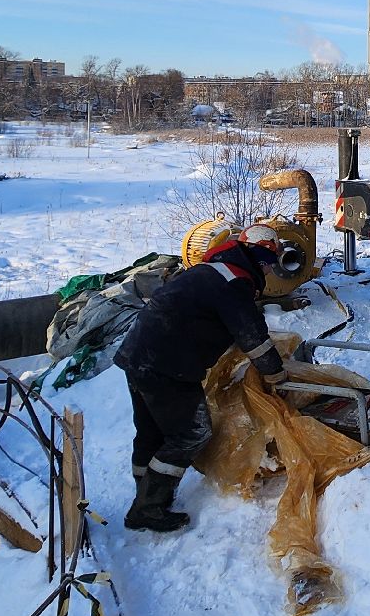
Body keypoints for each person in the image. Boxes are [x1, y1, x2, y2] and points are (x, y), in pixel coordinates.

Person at [115, 222, 288, 532]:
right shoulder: (234, 282)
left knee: (151, 432)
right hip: (168, 366)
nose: (269, 271)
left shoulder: (210, 271)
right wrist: (276, 373)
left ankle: (146, 494)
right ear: (262, 258)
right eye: (269, 264)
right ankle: (148, 508)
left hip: (138, 355)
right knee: (192, 432)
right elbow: (253, 337)